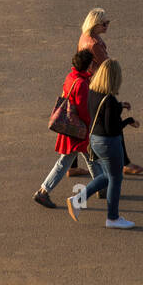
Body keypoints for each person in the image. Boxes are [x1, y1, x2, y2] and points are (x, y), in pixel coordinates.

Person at [68, 9, 143, 177]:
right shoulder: (94, 44)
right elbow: (106, 66)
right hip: (98, 85)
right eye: (104, 23)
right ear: (95, 25)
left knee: (79, 123)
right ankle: (125, 163)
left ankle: (71, 165)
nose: (107, 25)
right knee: (113, 119)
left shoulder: (84, 37)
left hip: (86, 82)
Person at [66, 59, 138, 228]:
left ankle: (78, 200)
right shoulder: (110, 100)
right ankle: (112, 218)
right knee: (115, 178)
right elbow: (111, 128)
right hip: (108, 143)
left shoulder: (93, 91)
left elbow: (101, 113)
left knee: (107, 176)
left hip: (95, 140)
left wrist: (119, 107)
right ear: (114, 78)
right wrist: (128, 121)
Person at [33, 50, 98, 208]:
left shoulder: (71, 77)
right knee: (71, 160)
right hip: (78, 129)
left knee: (88, 157)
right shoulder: (82, 84)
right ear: (87, 65)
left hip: (70, 126)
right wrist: (90, 125)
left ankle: (101, 186)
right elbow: (83, 110)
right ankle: (43, 191)